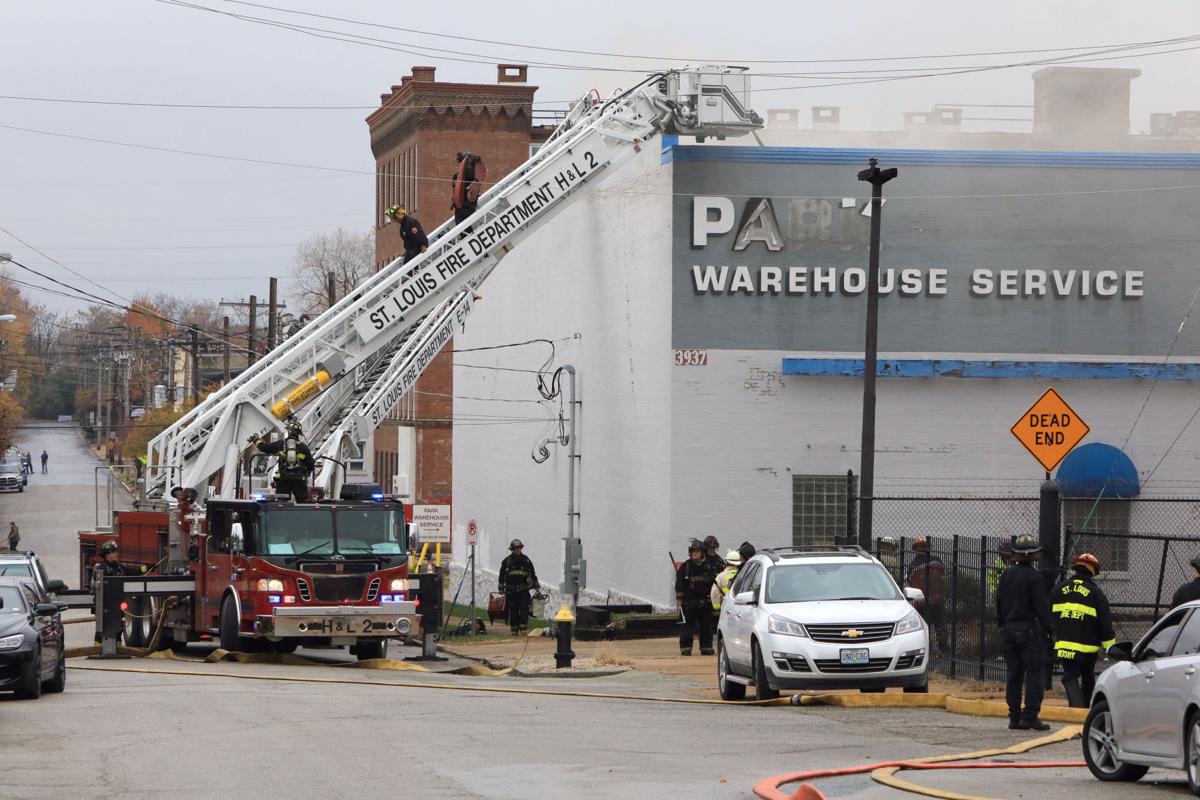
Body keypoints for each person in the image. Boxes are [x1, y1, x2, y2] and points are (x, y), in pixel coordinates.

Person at [996, 534, 1055, 731]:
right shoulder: (1034, 577)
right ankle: (1029, 716)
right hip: (1027, 631)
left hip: (1008, 631)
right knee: (1035, 672)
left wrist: (1002, 626)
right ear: (1031, 554)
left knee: (1014, 673)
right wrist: (1050, 630)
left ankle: (1014, 717)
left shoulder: (1007, 574)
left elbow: (998, 602)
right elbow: (1041, 608)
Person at [1051, 553, 1115, 708]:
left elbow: (1049, 615)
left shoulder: (1059, 589)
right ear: (1093, 571)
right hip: (1088, 649)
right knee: (1087, 677)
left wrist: (1051, 637)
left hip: (1065, 645)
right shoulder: (1096, 593)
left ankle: (1077, 709)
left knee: (1070, 677)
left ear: (1076, 569)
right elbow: (1105, 622)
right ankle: (1084, 709)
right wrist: (1110, 647)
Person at [254, 418, 314, 502]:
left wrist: (256, 440)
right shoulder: (303, 448)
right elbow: (311, 464)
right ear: (298, 434)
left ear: (289, 432)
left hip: (283, 478)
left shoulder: (280, 444)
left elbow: (265, 447)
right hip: (299, 479)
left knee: (282, 503)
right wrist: (308, 472)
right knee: (302, 503)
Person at [676, 539, 717, 656]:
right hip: (689, 603)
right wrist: (679, 600)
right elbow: (679, 584)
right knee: (686, 628)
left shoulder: (709, 566)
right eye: (693, 551)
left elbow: (714, 584)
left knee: (706, 627)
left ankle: (706, 647)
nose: (694, 554)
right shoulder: (685, 567)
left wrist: (713, 600)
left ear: (702, 552)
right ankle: (686, 648)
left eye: (697, 551)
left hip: (705, 603)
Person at [906, 536, 945, 651]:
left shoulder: (914, 564)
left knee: (924, 626)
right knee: (939, 624)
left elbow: (909, 580)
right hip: (935, 599)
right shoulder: (936, 560)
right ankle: (943, 648)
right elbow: (943, 575)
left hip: (922, 601)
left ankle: (927, 649)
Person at [498, 539, 539, 635]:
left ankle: (523, 629)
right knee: (513, 611)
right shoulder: (506, 561)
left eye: (519, 548)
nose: (518, 550)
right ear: (512, 549)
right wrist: (501, 587)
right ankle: (514, 630)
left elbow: (532, 573)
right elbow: (501, 575)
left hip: (523, 590)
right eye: (516, 548)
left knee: (524, 609)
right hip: (511, 591)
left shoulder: (526, 560)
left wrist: (536, 583)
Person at [451, 151, 487, 227]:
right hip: (464, 203)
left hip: (465, 202)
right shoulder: (468, 169)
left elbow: (465, 183)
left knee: (463, 224)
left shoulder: (468, 167)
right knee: (464, 224)